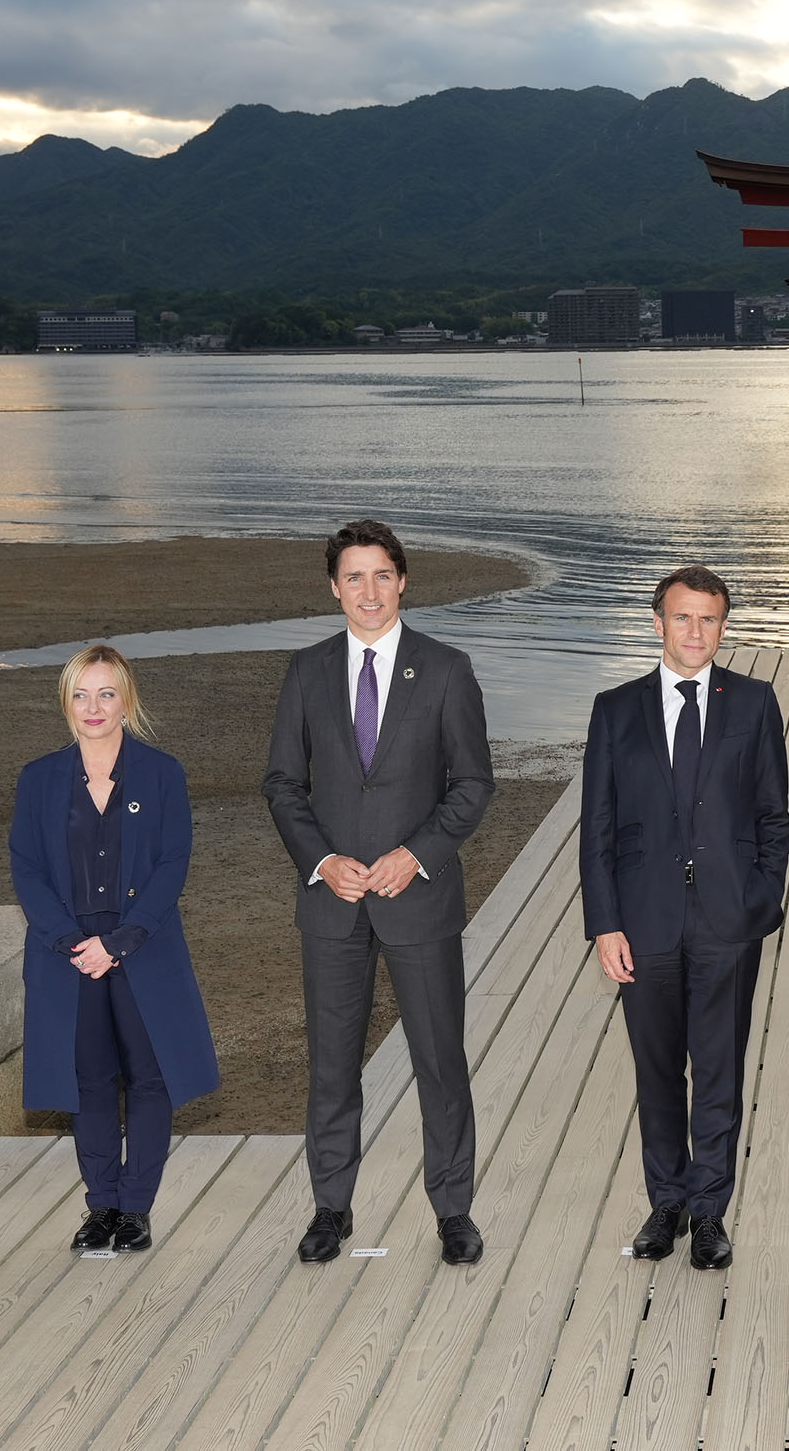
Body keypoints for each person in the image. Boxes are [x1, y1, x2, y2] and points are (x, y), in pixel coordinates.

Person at [264, 521, 496, 1267]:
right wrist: (323, 859)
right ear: (335, 586)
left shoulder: (447, 669)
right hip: (332, 904)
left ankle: (454, 1209)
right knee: (332, 1063)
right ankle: (331, 1206)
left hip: (418, 901)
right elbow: (281, 784)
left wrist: (416, 855)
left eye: (382, 575)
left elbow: (473, 784)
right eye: (353, 577)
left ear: (403, 581)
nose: (369, 591)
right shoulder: (305, 672)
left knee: (440, 1059)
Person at [581, 564, 789, 1270]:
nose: (695, 631)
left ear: (723, 626)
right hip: (644, 921)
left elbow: (773, 815)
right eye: (682, 617)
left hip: (729, 921)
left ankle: (708, 1211)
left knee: (720, 1068)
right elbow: (598, 827)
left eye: (709, 619)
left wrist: (761, 899)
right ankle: (665, 1200)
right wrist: (605, 924)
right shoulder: (616, 709)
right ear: (658, 622)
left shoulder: (756, 704)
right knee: (657, 1069)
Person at [10, 645, 219, 1252]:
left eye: (105, 694)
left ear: (127, 701)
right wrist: (74, 941)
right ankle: (100, 1205)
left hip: (142, 947)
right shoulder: (39, 778)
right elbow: (26, 868)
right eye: (81, 694)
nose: (93, 707)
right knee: (89, 1080)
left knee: (150, 1078)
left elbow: (172, 863)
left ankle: (135, 1208)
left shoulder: (162, 774)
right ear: (66, 704)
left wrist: (120, 942)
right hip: (67, 954)